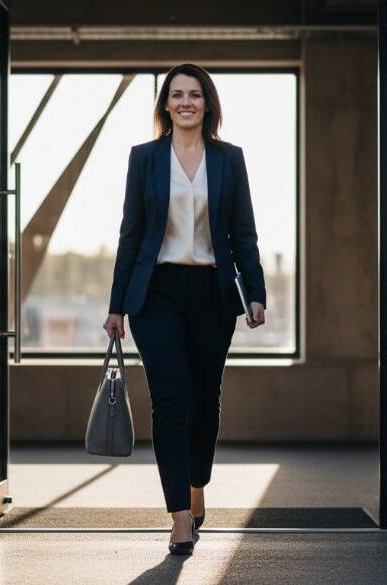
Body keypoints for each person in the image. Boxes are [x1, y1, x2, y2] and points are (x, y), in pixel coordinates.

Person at [103, 63, 267, 555]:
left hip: (212, 294)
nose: (185, 102)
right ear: (165, 105)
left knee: (203, 402)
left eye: (194, 94)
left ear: (207, 103)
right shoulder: (145, 159)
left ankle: (197, 484)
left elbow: (244, 233)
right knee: (170, 401)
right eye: (176, 94)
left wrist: (254, 291)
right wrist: (117, 305)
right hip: (156, 295)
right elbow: (130, 236)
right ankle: (178, 515)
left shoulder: (229, 159)